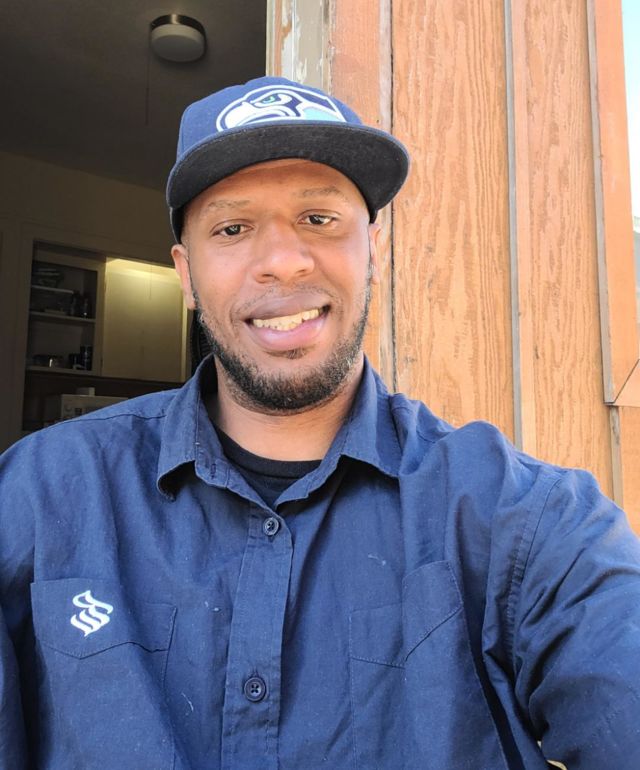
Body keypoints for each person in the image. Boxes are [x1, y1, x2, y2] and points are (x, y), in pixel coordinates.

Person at [1, 76, 639, 770]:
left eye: (319, 218)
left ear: (374, 252)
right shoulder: (37, 494)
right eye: (232, 228)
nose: (283, 261)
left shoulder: (525, 520)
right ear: (186, 275)